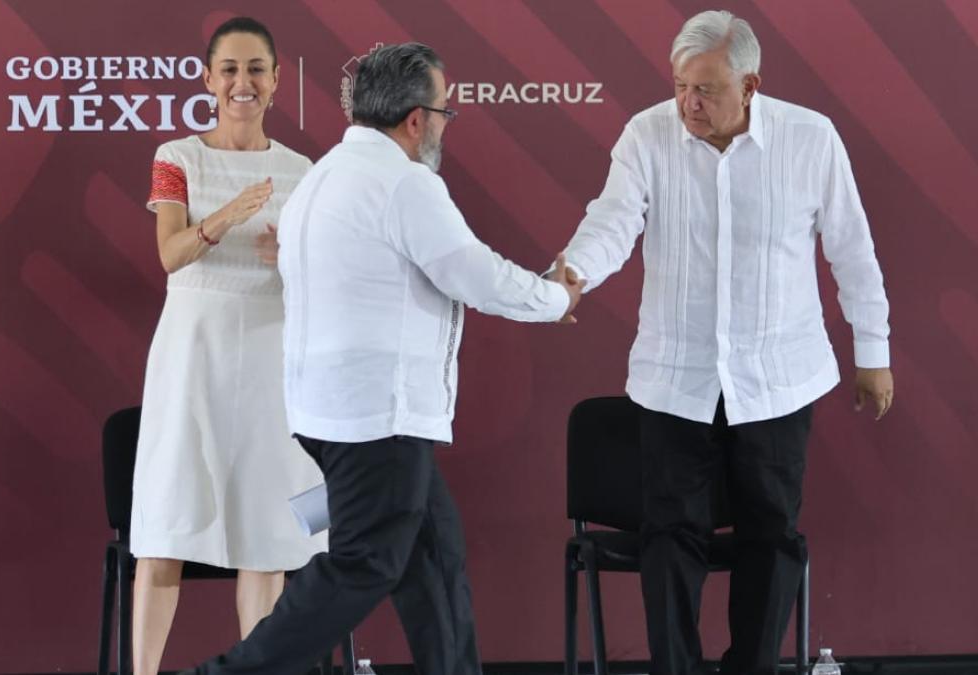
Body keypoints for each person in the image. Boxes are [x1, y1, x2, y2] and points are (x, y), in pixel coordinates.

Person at [182, 42, 583, 675]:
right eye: (446, 111)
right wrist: (553, 296)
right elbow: (471, 274)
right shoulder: (404, 183)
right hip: (378, 418)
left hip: (338, 414)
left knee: (434, 559)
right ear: (416, 119)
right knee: (364, 564)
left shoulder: (327, 174)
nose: (447, 124)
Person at [553, 10, 894, 675]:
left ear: (751, 84)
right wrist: (573, 274)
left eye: (706, 88)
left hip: (778, 378)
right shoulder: (647, 135)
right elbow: (611, 221)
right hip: (675, 380)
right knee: (669, 540)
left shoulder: (809, 139)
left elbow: (853, 250)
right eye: (681, 85)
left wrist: (873, 351)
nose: (688, 102)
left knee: (771, 537)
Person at [130, 16, 326, 675]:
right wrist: (227, 217)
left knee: (268, 537)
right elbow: (171, 255)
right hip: (191, 353)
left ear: (276, 82)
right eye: (232, 70)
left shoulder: (302, 171)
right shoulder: (176, 156)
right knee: (165, 527)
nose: (244, 83)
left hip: (275, 358)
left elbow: (319, 277)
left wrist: (291, 261)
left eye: (257, 70)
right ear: (210, 79)